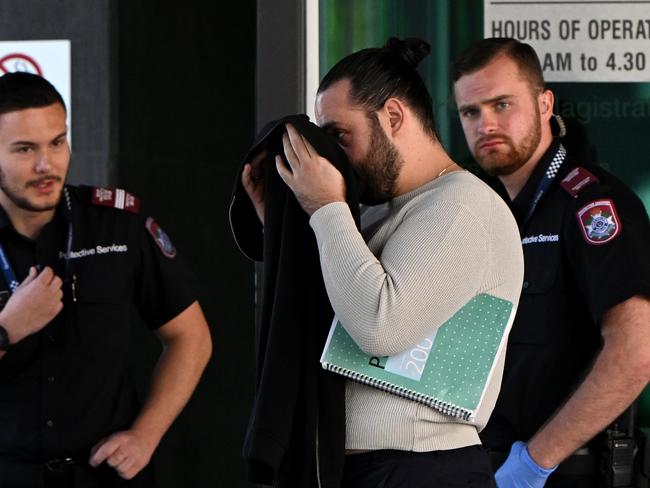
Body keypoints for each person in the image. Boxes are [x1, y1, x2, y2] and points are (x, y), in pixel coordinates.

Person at [241, 37, 523, 487]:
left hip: (422, 467)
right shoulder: (377, 212)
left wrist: (326, 209)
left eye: (340, 136)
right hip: (362, 467)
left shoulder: (462, 206)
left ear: (393, 116)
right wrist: (283, 223)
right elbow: (331, 309)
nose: (332, 156)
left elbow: (380, 325)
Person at [452, 37, 650, 487]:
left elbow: (637, 351)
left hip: (566, 470)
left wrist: (535, 463)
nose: (486, 124)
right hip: (484, 462)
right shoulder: (479, 208)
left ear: (545, 104)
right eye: (471, 112)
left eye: (502, 104)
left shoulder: (591, 203)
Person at [0, 71, 212, 487]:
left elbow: (192, 337)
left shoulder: (116, 224)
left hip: (103, 477)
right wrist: (8, 329)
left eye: (57, 143)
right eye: (24, 149)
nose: (47, 165)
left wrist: (145, 436)